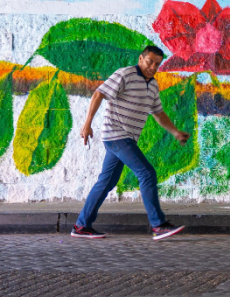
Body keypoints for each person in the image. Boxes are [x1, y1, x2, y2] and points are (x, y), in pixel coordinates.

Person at [71, 46, 188, 241]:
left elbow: (158, 113)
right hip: (117, 135)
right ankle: (158, 225)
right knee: (147, 173)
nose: (153, 67)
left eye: (157, 64)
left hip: (125, 138)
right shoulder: (124, 74)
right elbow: (99, 94)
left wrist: (175, 132)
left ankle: (81, 226)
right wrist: (87, 124)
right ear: (140, 59)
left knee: (107, 182)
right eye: (149, 62)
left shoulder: (153, 85)